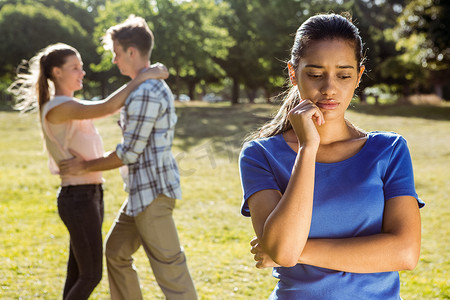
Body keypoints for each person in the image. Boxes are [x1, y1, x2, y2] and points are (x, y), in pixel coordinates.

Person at [238, 13, 424, 299]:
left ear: (359, 76)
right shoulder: (260, 155)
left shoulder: (389, 151)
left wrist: (294, 251)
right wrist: (307, 149)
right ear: (292, 73)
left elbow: (405, 253)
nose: (328, 88)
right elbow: (283, 251)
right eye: (314, 74)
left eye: (343, 74)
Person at [8, 43, 168, 299]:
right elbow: (106, 107)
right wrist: (144, 75)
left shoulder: (69, 105)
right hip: (78, 197)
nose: (82, 73)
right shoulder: (59, 107)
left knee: (77, 273)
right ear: (57, 72)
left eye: (81, 67)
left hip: (90, 194)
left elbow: (111, 107)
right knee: (91, 274)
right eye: (75, 68)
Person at [59, 15, 197, 300]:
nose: (113, 60)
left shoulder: (145, 92)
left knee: (171, 268)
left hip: (153, 194)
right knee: (116, 251)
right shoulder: (143, 87)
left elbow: (128, 153)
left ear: (131, 52)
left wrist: (84, 166)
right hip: (140, 193)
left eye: (116, 53)